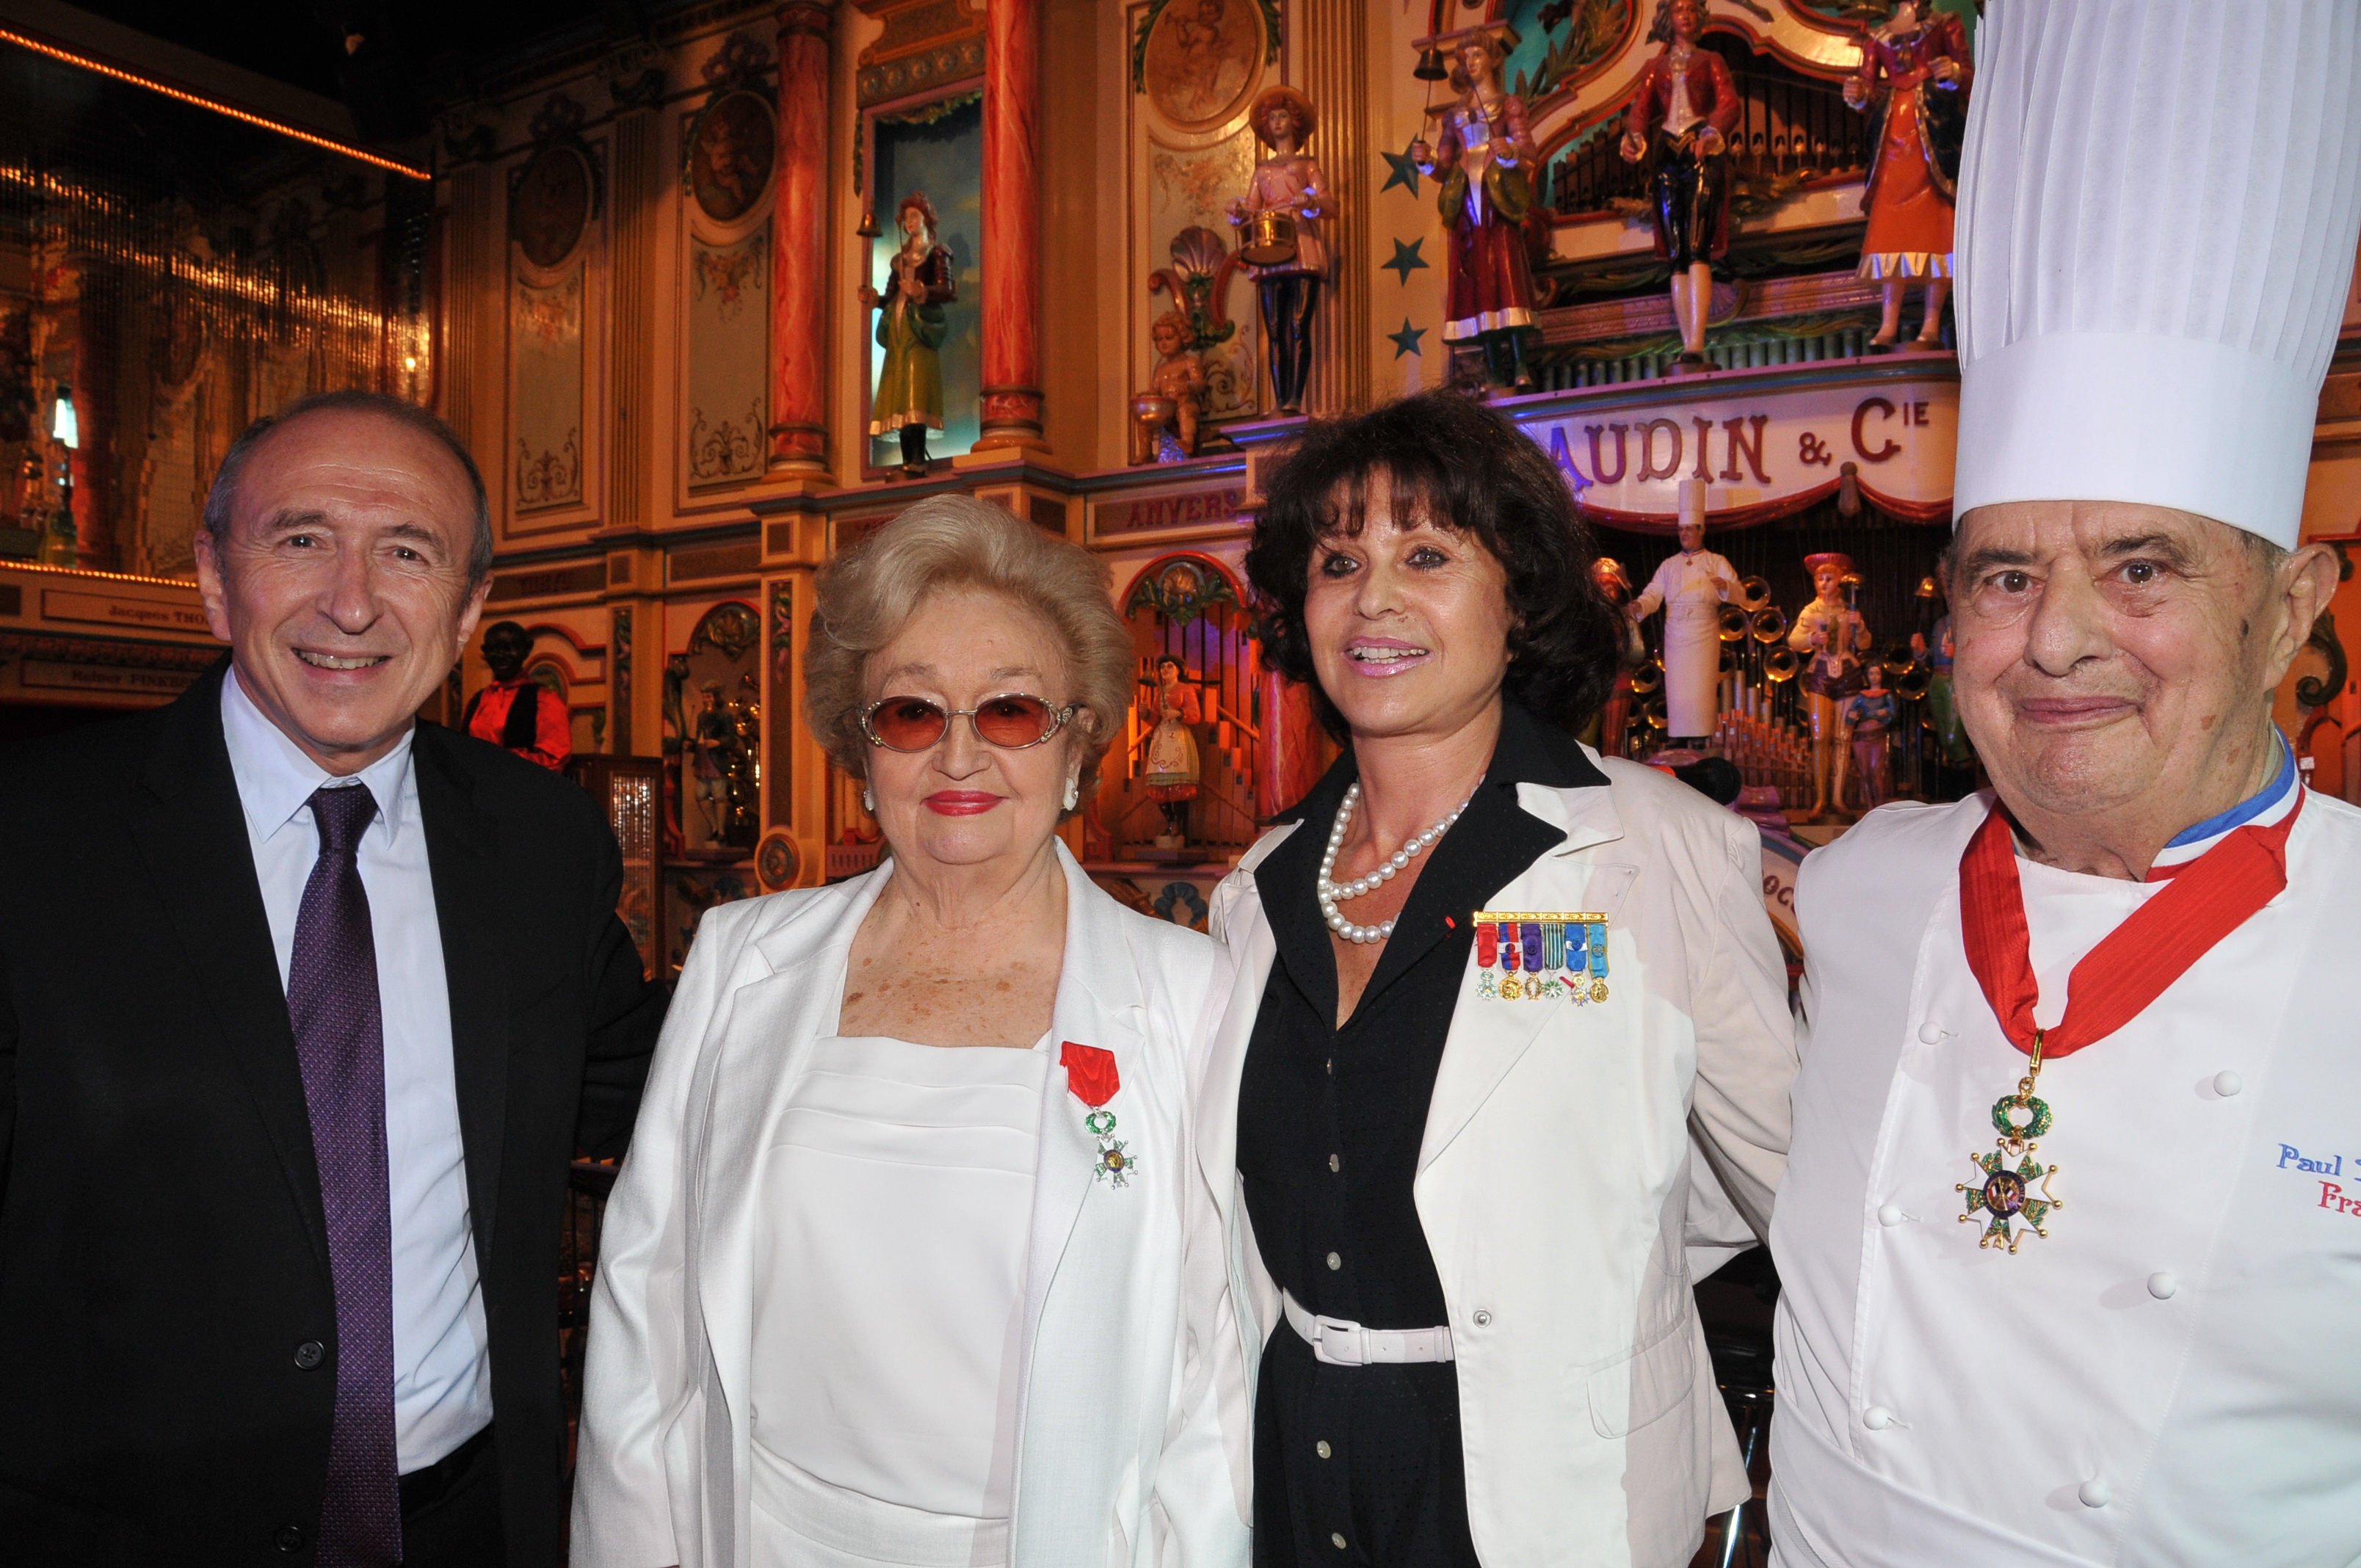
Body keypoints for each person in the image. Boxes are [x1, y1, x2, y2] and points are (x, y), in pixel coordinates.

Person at [1769, 5, 2361, 1564]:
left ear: (2292, 608)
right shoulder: (1859, 888)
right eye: (2008, 574)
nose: (2059, 642)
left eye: (2143, 567)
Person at [0, 390, 666, 1564]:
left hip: (470, 1525)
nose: (351, 601)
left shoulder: (540, 842)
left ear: (468, 611)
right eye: (301, 538)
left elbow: (659, 1082)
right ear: (215, 578)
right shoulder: (36, 840)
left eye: (406, 552)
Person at [574, 496, 1249, 1568]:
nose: (960, 758)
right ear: (861, 745)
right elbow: (647, 1312)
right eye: (913, 715)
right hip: (760, 1536)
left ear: (1080, 743)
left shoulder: (1188, 995)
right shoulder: (743, 960)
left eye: (1014, 712)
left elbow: (1219, 1377)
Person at [1200, 390, 1796, 1568]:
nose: (1374, 598)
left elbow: (1779, 1180)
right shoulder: (1257, 887)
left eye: (1427, 554)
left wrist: (1577, 1289)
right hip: (1296, 1460)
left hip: (1552, 1489)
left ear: (1518, 598)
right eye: (1336, 561)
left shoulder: (1655, 846)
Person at [1410, 30, 1541, 391]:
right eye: (1466, 58)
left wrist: (1510, 150)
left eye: (1478, 56)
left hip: (1498, 200)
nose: (1472, 63)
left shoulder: (1509, 105)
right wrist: (1425, 162)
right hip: (1467, 203)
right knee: (1479, 283)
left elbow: (1530, 154)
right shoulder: (1455, 116)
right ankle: (1494, 370)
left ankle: (1520, 365)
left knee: (1507, 276)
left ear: (1493, 60)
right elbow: (1444, 167)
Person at [1843, 0, 1969, 350]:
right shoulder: (1879, 36)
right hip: (1894, 135)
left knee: (1936, 227)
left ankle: (1930, 324)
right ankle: (1888, 323)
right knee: (1890, 228)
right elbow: (1867, 88)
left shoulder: (1947, 24)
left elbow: (1968, 74)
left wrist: (1954, 73)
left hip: (1934, 127)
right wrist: (1857, 95)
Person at [1620, 0, 1739, 369]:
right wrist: (1633, 136)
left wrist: (1712, 130)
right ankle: (1686, 342)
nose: (1685, 16)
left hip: (1699, 149)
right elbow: (1640, 110)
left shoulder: (1711, 59)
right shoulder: (1654, 67)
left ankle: (1698, 342)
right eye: (1678, 10)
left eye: (1690, 10)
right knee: (1677, 254)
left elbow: (1729, 104)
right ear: (1668, 20)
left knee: (1697, 243)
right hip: (1666, 155)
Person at [1227, 86, 1330, 416]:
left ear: (1294, 122)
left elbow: (1331, 204)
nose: (1277, 122)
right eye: (1272, 118)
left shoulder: (1307, 164)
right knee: (1274, 328)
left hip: (1301, 242)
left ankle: (1294, 398)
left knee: (1300, 323)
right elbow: (1251, 206)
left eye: (1283, 115)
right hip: (1272, 247)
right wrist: (1239, 210)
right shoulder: (1262, 171)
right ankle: (1279, 398)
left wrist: (1312, 201)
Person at [1630, 479, 1741, 744]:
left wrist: (1724, 586)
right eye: (1680, 530)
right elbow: (1653, 594)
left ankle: (1702, 739)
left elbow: (1740, 593)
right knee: (1679, 692)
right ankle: (1678, 739)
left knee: (1701, 691)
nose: (1684, 535)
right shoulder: (1668, 566)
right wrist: (1638, 606)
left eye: (1689, 529)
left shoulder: (1717, 561)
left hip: (1704, 633)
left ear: (1701, 530)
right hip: (1677, 633)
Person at [861, 192, 956, 479]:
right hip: (897, 332)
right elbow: (891, 296)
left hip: (920, 329)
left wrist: (923, 291)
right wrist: (874, 299)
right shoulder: (899, 259)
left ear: (926, 219)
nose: (909, 222)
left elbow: (948, 290)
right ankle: (907, 460)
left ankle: (918, 458)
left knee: (916, 391)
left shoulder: (937, 253)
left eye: (915, 216)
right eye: (907, 218)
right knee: (898, 392)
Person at [1788, 551, 1869, 819]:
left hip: (1847, 672)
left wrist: (1861, 628)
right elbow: (1794, 640)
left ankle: (1838, 798)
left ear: (1840, 582)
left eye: (1829, 578)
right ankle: (1820, 799)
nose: (1824, 583)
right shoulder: (1810, 611)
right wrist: (1812, 638)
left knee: (1843, 738)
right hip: (1821, 673)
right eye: (1820, 579)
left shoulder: (1850, 610)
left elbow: (1866, 644)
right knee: (1821, 736)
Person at [462, 619, 571, 772]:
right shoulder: (477, 700)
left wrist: (498, 761)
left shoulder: (544, 699)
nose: (501, 655)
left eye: (509, 648)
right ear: (485, 652)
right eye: (494, 649)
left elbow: (554, 758)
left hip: (523, 789)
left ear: (526, 650)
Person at [1840, 660, 1897, 811]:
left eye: (1877, 673)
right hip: (1861, 738)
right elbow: (1850, 717)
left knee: (1876, 772)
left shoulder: (1886, 695)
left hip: (1877, 737)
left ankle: (1879, 807)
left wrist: (1886, 713)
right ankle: (1870, 808)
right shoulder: (1861, 696)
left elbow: (1893, 713)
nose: (1874, 676)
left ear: (1881, 675)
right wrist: (1852, 715)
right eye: (1871, 673)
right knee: (1865, 774)